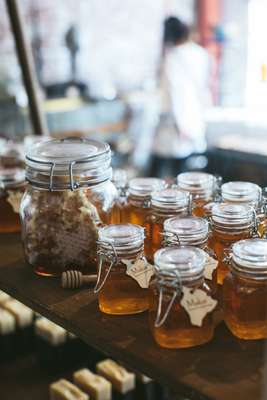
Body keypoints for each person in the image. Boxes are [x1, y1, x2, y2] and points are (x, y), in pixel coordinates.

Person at [148, 16, 212, 177]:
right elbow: (204, 87)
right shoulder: (201, 54)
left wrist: (181, 124)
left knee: (161, 167)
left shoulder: (173, 57)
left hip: (176, 119)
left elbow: (176, 92)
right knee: (184, 167)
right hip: (195, 115)